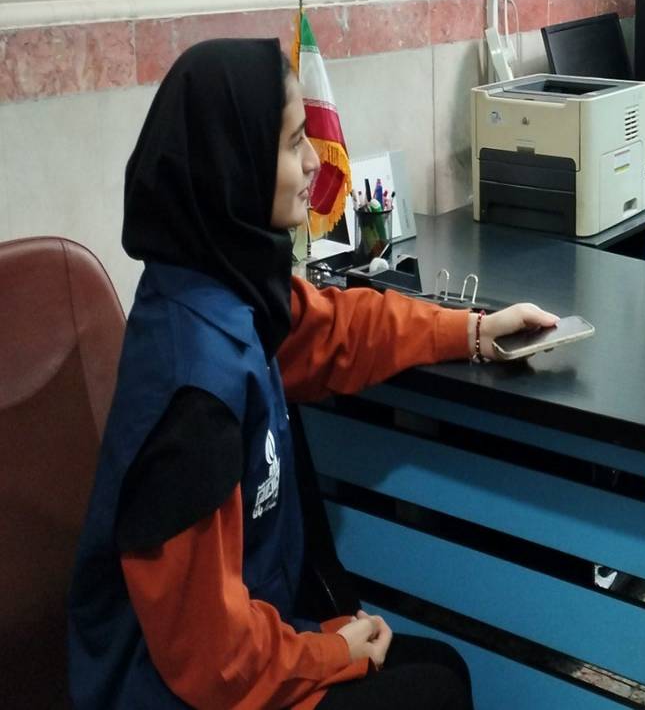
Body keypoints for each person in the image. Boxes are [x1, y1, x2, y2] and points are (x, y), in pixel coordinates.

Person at [67, 38, 559, 710]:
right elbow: (210, 658)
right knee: (435, 687)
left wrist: (470, 331)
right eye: (294, 142)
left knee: (438, 670)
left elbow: (333, 330)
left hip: (241, 641)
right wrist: (331, 653)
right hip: (177, 689)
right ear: (233, 163)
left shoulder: (214, 285)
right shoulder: (196, 398)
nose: (313, 163)